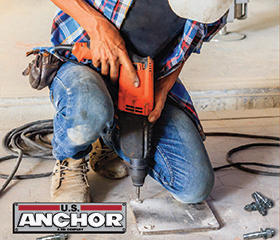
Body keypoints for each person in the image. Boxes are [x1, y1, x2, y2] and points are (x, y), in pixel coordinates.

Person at [49, 0, 229, 203]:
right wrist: (98, 27)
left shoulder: (216, 6)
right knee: (91, 107)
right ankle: (70, 159)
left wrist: (163, 88)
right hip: (82, 66)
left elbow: (188, 47)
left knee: (194, 187)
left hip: (143, 81)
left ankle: (106, 135)